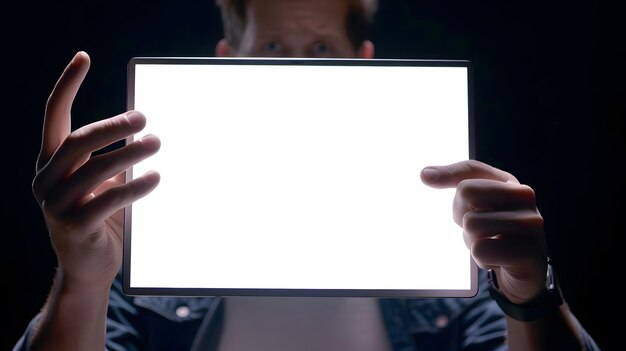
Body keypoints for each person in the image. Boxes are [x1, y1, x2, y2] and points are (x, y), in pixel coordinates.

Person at [13, 0, 601, 350]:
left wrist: (530, 292)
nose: (294, 66)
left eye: (320, 49)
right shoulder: (154, 257)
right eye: (270, 45)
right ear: (225, 62)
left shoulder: (436, 255)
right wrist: (82, 279)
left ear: (364, 65)